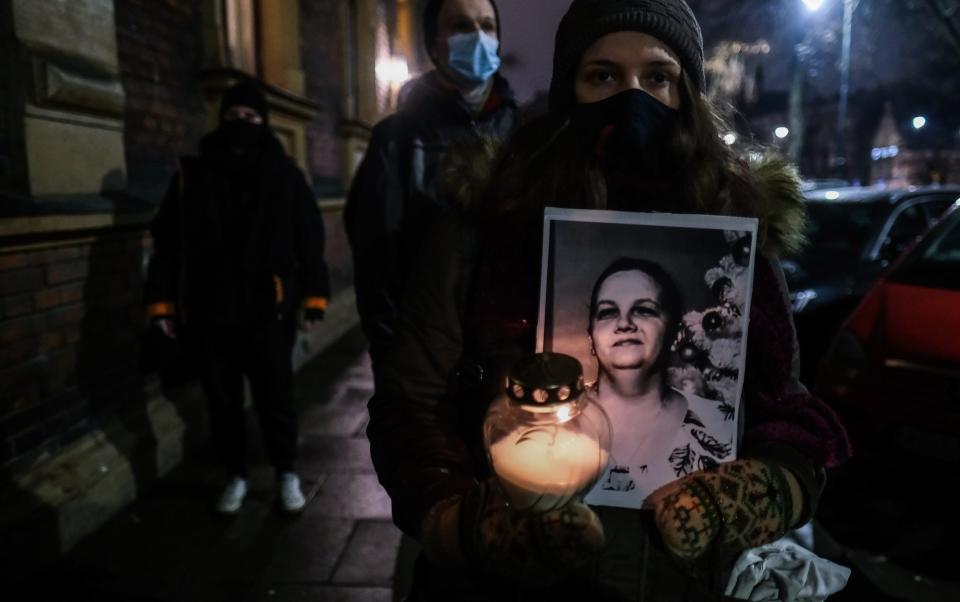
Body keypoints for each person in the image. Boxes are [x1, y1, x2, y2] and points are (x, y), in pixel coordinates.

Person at [368, 0, 852, 599]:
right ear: (569, 90)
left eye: (657, 77)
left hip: (682, 581)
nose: (633, 98)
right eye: (602, 75)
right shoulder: (489, 224)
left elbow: (786, 405)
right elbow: (410, 403)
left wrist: (768, 487)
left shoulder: (733, 235)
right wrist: (461, 521)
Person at [145, 81, 330, 515]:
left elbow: (309, 238)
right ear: (221, 120)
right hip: (211, 310)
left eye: (251, 117)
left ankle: (286, 471)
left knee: (275, 398)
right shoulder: (193, 175)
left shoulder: (285, 175)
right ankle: (236, 474)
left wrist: (314, 297)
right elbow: (168, 243)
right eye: (234, 117)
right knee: (222, 402)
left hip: (269, 309)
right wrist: (163, 304)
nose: (241, 125)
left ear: (263, 122)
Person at [344, 0, 518, 371]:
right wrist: (392, 352)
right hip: (423, 355)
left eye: (487, 27)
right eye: (461, 26)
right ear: (434, 44)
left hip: (505, 352)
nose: (478, 37)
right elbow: (375, 253)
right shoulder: (397, 138)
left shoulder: (524, 134)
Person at [583, 258, 733, 507]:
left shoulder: (720, 423)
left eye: (643, 310)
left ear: (674, 332)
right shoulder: (551, 420)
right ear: (590, 338)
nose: (624, 324)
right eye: (608, 312)